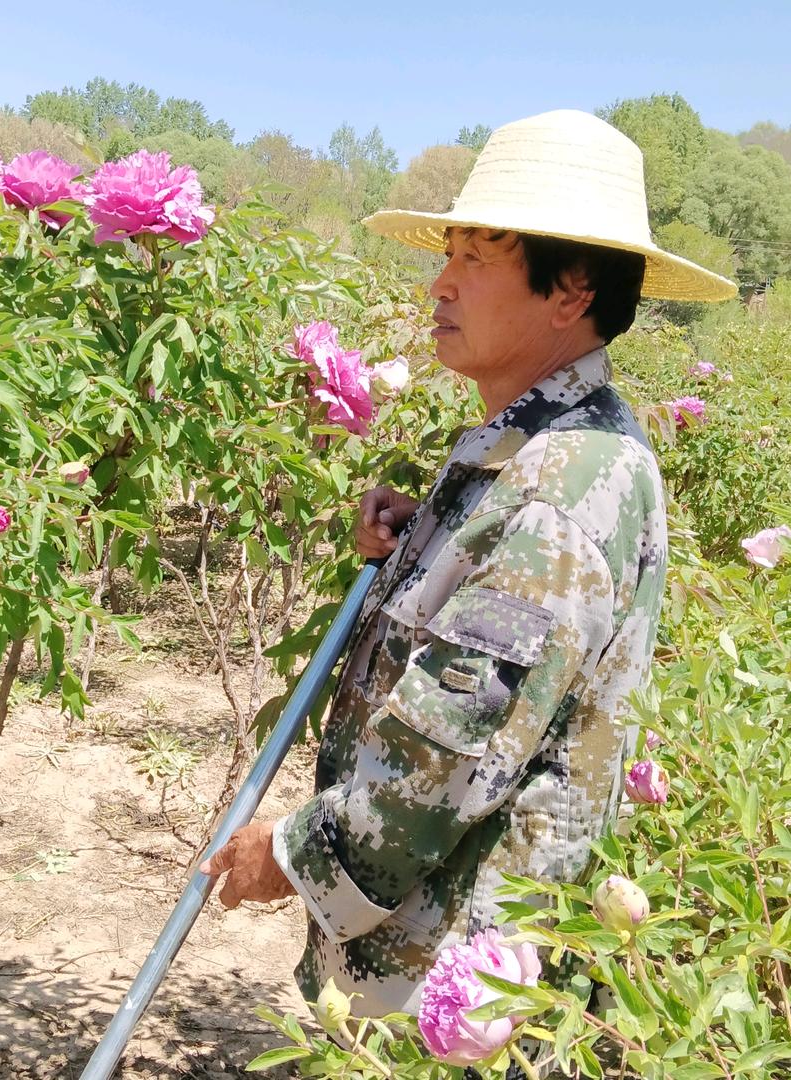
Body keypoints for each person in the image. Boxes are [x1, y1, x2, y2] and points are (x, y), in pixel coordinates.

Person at [200, 110, 735, 1019]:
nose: (439, 284)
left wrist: (293, 856)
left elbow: (455, 738)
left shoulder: (564, 483)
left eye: (476, 258)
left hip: (456, 988)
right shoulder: (528, 449)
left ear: (570, 288)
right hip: (421, 962)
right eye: (446, 253)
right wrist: (426, 540)